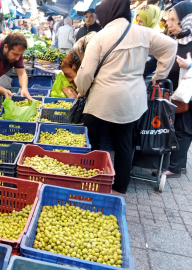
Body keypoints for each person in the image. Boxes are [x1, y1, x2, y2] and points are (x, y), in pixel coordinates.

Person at [76, 0, 177, 193]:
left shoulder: (100, 36)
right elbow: (170, 46)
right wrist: (159, 76)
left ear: (107, 14)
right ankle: (121, 186)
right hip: (131, 100)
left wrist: (81, 91)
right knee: (124, 144)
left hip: (102, 100)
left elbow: (86, 72)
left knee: (92, 141)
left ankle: (91, 181)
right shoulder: (143, 33)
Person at [144, 1, 192, 178]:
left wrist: (190, 65)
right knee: (175, 127)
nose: (168, 23)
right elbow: (155, 62)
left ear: (186, 20)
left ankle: (175, 168)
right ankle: (179, 163)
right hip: (173, 95)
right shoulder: (174, 42)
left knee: (183, 129)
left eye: (173, 19)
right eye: (168, 19)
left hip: (187, 97)